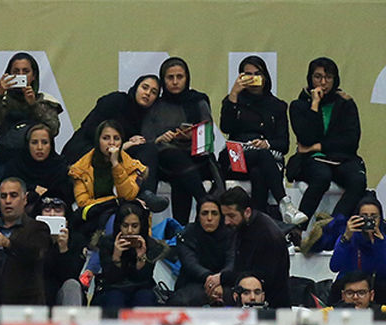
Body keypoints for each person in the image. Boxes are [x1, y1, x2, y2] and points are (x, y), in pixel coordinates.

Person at [220, 55, 305, 224]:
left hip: (265, 158)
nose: (252, 79)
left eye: (257, 74)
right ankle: (285, 204)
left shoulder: (277, 106)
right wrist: (234, 95)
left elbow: (284, 144)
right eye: (247, 74)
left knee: (259, 172)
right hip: (237, 157)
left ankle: (255, 223)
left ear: (265, 76)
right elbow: (226, 128)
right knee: (262, 156)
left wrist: (267, 143)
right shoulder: (233, 101)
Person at [287, 57, 366, 223]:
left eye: (328, 77)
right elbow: (306, 138)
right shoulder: (298, 106)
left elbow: (351, 141)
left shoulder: (345, 103)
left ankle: (333, 224)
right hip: (312, 160)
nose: (323, 82)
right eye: (318, 77)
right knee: (321, 177)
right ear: (310, 78)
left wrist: (318, 146)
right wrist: (314, 105)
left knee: (358, 180)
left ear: (334, 79)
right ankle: (297, 230)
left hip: (342, 159)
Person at [141, 57, 216, 224]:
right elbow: (146, 140)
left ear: (187, 78)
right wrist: (161, 138)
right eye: (170, 77)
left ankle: (179, 230)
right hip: (163, 162)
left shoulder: (198, 101)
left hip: (196, 159)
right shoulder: (156, 105)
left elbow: (209, 138)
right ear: (163, 79)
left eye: (179, 77)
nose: (175, 82)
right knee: (171, 154)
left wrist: (192, 135)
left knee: (181, 177)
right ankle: (203, 200)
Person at [0, 52, 63, 175]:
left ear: (34, 75)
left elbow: (53, 129)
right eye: (16, 72)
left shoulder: (44, 100)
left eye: (25, 71)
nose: (20, 75)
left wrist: (33, 105)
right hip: (7, 161)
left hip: (39, 163)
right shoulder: (2, 101)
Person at [68, 120, 148, 240]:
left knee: (130, 213)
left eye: (116, 139)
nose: (111, 143)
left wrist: (115, 164)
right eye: (106, 138)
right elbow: (83, 202)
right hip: (93, 216)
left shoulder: (131, 166)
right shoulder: (80, 169)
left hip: (123, 214)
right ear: (98, 140)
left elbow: (127, 195)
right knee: (114, 216)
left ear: (122, 142)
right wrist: (115, 201)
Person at [218, 186, 291, 308]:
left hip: (271, 309)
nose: (226, 221)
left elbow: (261, 277)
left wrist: (222, 278)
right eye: (224, 216)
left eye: (231, 216)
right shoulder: (244, 226)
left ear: (247, 212)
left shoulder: (266, 235)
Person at [0, 177, 49, 306]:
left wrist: (8, 244)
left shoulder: (37, 227)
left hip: (26, 307)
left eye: (13, 195)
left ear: (25, 199)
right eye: (3, 196)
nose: (8, 201)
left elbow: (36, 253)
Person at [94, 202, 165, 309]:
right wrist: (116, 256)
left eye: (135, 226)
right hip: (114, 287)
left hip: (141, 288)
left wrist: (141, 258)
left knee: (145, 298)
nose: (130, 231)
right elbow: (110, 278)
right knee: (114, 298)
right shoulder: (106, 242)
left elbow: (145, 279)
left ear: (141, 226)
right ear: (119, 225)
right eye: (125, 226)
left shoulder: (151, 245)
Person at [169, 196, 235, 306]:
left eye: (214, 213)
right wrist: (210, 280)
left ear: (221, 216)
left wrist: (220, 278)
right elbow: (190, 263)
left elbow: (232, 261)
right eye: (204, 213)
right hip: (193, 282)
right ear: (198, 216)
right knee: (181, 301)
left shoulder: (231, 234)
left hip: (224, 282)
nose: (209, 218)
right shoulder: (188, 233)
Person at [3, 123, 73, 217]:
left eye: (44, 142)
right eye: (34, 142)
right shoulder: (15, 167)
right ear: (27, 144)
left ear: (51, 144)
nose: (39, 147)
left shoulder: (60, 167)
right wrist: (33, 189)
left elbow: (67, 197)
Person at [34, 196, 83, 307]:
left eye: (58, 210)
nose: (52, 214)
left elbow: (72, 275)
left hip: (63, 292)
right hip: (38, 291)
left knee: (72, 285)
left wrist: (63, 249)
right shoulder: (30, 236)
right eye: (47, 210)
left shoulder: (76, 239)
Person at [329, 195, 386, 280]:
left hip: (373, 288)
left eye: (374, 216)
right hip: (348, 286)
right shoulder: (349, 237)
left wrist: (380, 244)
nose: (369, 220)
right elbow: (334, 267)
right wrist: (345, 238)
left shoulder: (383, 239)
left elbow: (383, 273)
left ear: (380, 219)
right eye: (364, 216)